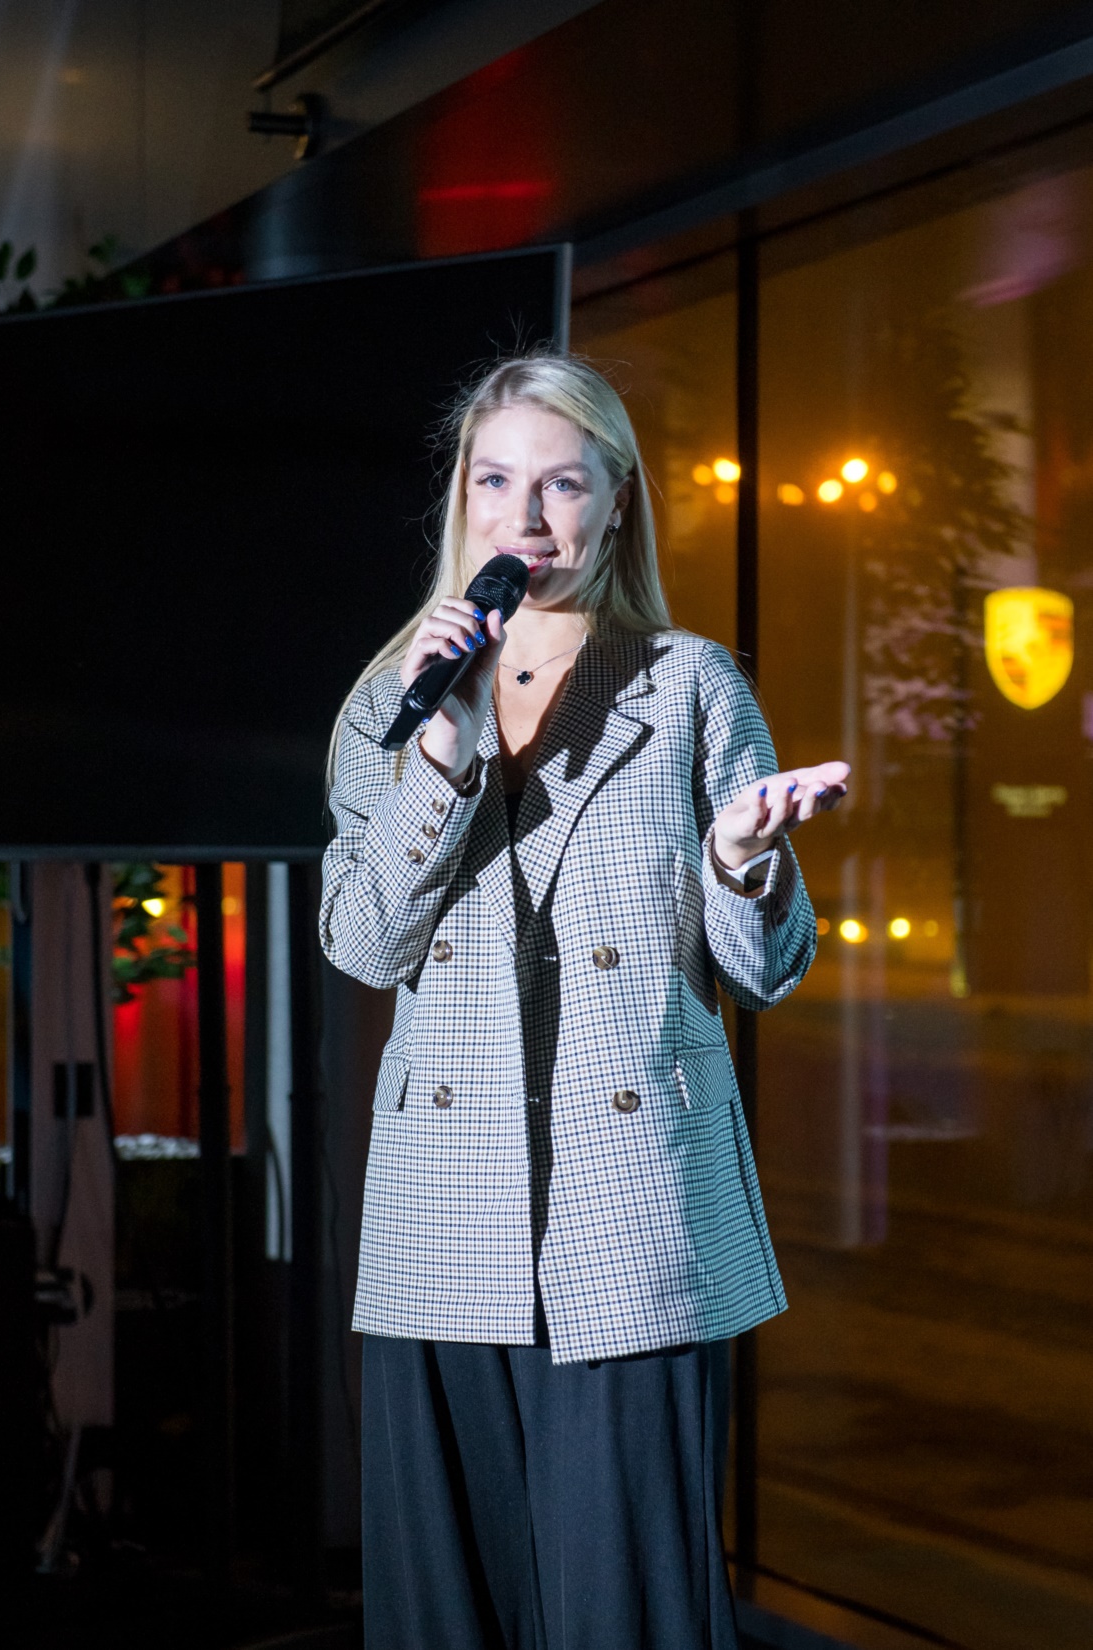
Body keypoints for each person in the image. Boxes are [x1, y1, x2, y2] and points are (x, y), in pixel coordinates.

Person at [319, 354, 848, 1650]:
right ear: (463, 499)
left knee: (628, 1611)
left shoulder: (689, 682)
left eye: (563, 483)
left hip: (633, 1212)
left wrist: (739, 858)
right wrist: (441, 757)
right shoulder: (390, 700)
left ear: (617, 503)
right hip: (444, 1215)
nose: (528, 515)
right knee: (450, 1613)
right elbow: (365, 945)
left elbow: (769, 968)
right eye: (496, 481)